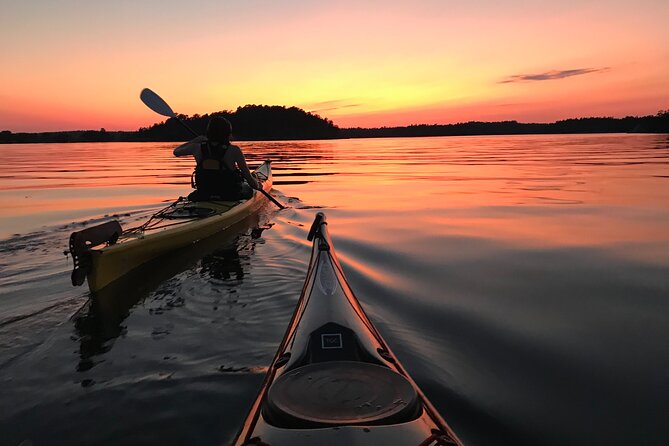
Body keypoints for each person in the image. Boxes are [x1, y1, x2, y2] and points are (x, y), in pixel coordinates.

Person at [173, 117, 260, 201]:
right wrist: (259, 185)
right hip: (230, 195)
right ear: (227, 133)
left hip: (204, 194)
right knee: (247, 188)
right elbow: (250, 180)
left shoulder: (196, 147)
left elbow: (176, 152)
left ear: (208, 132)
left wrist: (194, 141)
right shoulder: (234, 150)